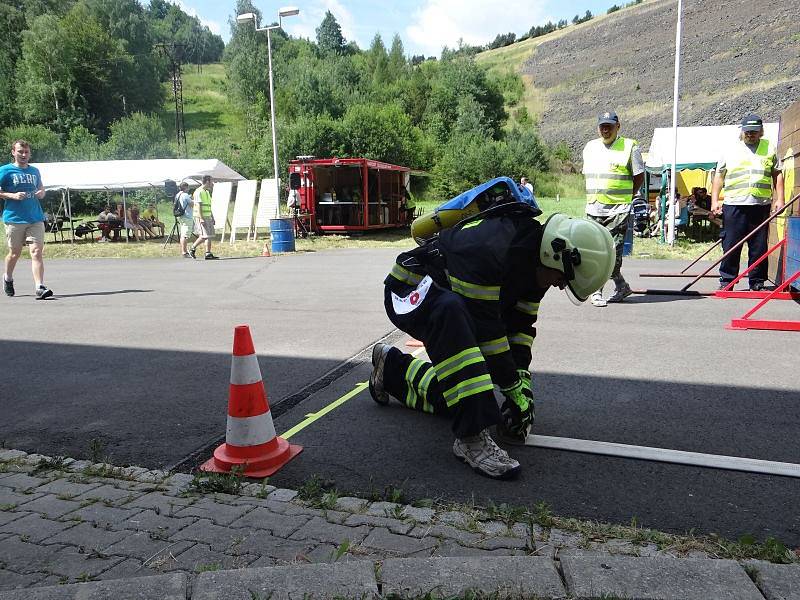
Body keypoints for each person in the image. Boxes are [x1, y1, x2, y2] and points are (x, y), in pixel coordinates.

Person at [368, 204, 614, 480]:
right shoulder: (489, 249)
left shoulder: (536, 265)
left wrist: (523, 386)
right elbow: (488, 335)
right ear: (555, 254)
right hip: (410, 289)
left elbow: (520, 329)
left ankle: (390, 368)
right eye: (562, 278)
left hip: (455, 301)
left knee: (460, 398)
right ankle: (470, 440)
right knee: (455, 321)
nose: (559, 285)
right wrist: (512, 388)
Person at [711, 114, 784, 291]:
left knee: (758, 245)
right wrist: (715, 201)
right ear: (742, 132)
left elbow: (777, 174)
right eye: (747, 132)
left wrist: (779, 199)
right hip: (735, 203)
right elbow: (719, 176)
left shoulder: (769, 148)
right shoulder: (730, 150)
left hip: (760, 204)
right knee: (731, 244)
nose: (750, 135)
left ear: (761, 132)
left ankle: (757, 281)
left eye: (754, 132)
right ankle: (727, 280)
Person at [582, 110, 644, 307]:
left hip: (618, 210)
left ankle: (601, 289)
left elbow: (639, 175)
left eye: (609, 125)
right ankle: (618, 286)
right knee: (594, 252)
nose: (606, 129)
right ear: (598, 127)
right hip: (594, 208)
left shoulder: (629, 147)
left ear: (618, 126)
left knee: (612, 253)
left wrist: (628, 197)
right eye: (602, 126)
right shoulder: (590, 147)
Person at [1, 140, 53, 299]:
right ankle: (7, 278)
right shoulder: (5, 170)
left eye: (26, 152)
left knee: (36, 252)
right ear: (13, 152)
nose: (24, 155)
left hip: (35, 218)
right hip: (14, 219)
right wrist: (12, 195)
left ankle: (39, 286)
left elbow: (41, 188)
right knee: (14, 253)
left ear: (30, 153)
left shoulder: (35, 171)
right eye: (20, 152)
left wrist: (41, 193)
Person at [190, 175, 218, 260]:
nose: (212, 183)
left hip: (207, 216)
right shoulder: (198, 192)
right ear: (207, 182)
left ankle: (208, 253)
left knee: (209, 235)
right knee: (204, 236)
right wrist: (201, 218)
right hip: (201, 217)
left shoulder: (206, 192)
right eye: (211, 181)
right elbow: (198, 206)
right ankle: (192, 248)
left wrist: (212, 217)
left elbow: (208, 206)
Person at [175, 182, 194, 258]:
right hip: (187, 216)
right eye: (188, 188)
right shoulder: (185, 195)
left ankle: (184, 251)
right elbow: (191, 204)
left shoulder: (177, 195)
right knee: (185, 235)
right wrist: (192, 199)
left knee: (183, 234)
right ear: (186, 187)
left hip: (180, 216)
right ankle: (184, 252)